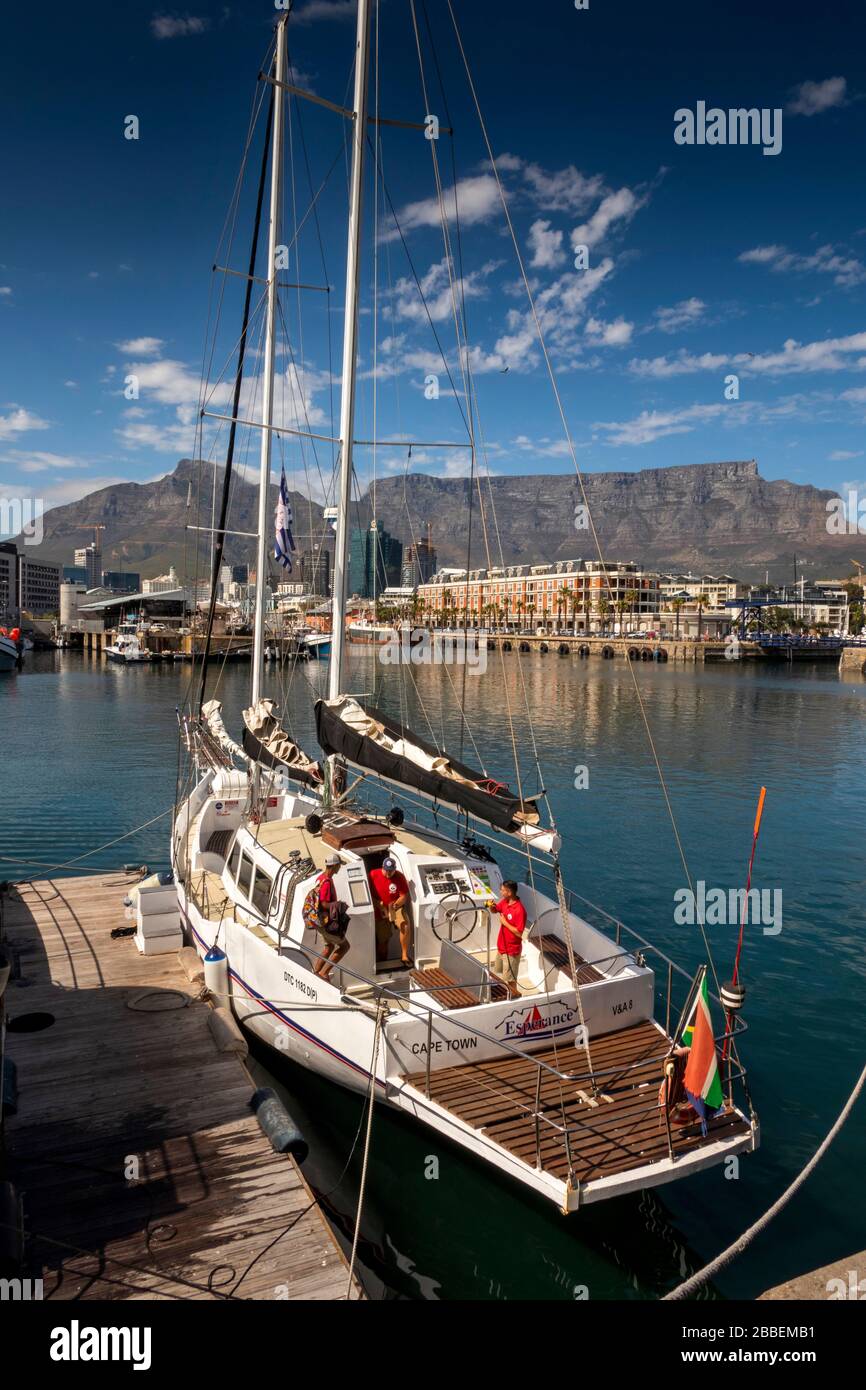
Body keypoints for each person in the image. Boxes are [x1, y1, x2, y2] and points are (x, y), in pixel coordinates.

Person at [309, 853, 349, 981]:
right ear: (335, 865)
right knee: (344, 946)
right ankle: (323, 973)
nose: (339, 868)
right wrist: (337, 905)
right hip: (326, 923)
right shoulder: (326, 882)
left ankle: (315, 973)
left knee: (329, 946)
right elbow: (323, 903)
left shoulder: (320, 878)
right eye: (338, 866)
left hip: (318, 921)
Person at [369, 856, 413, 966]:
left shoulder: (399, 877)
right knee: (383, 942)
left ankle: (404, 955)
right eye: (386, 871)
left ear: (395, 869)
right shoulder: (373, 874)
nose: (388, 873)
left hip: (394, 907)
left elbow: (404, 896)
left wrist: (395, 905)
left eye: (391, 871)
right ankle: (382, 962)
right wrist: (379, 905)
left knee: (405, 925)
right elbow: (367, 894)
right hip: (379, 910)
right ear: (382, 868)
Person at [489, 880, 526, 998]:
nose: (501, 892)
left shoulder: (520, 910)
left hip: (511, 950)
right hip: (502, 946)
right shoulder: (505, 902)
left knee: (510, 979)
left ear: (509, 892)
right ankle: (510, 993)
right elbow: (496, 910)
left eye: (503, 890)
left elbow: (519, 933)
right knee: (501, 972)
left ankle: (515, 996)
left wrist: (504, 923)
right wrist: (492, 906)